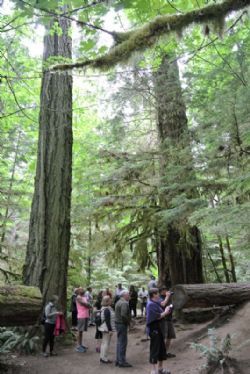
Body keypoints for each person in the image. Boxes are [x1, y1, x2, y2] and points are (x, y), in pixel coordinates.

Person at [146, 288, 171, 374]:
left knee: (161, 348)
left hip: (159, 328)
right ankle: (153, 370)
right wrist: (166, 312)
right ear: (153, 294)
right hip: (154, 329)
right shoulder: (150, 304)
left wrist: (167, 300)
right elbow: (157, 316)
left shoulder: (155, 302)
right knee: (155, 348)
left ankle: (160, 368)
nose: (159, 295)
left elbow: (163, 304)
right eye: (157, 293)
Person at [115, 289, 132, 368]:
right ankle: (122, 361)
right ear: (124, 295)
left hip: (118, 324)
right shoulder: (124, 303)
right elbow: (123, 315)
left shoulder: (118, 302)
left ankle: (118, 360)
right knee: (123, 343)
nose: (129, 296)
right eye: (128, 294)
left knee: (119, 342)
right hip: (122, 324)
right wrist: (128, 322)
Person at [159, 286, 176, 358]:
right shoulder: (159, 298)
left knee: (170, 336)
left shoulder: (168, 298)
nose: (166, 291)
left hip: (169, 319)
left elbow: (171, 306)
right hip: (163, 320)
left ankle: (165, 352)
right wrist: (167, 297)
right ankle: (160, 353)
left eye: (167, 290)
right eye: (165, 290)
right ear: (161, 291)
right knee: (163, 337)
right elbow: (162, 305)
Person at [98, 295, 116, 364]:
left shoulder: (104, 308)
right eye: (110, 300)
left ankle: (102, 357)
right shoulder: (107, 309)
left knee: (103, 343)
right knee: (106, 343)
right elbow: (108, 321)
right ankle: (104, 358)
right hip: (106, 328)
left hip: (104, 327)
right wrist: (110, 330)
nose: (111, 300)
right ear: (107, 301)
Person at [75, 288, 91, 353]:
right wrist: (89, 305)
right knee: (80, 331)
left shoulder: (83, 296)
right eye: (81, 289)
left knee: (81, 331)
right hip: (81, 315)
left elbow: (87, 304)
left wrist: (89, 305)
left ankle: (81, 344)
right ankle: (78, 346)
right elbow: (85, 304)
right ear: (78, 292)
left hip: (85, 315)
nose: (83, 290)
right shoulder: (78, 297)